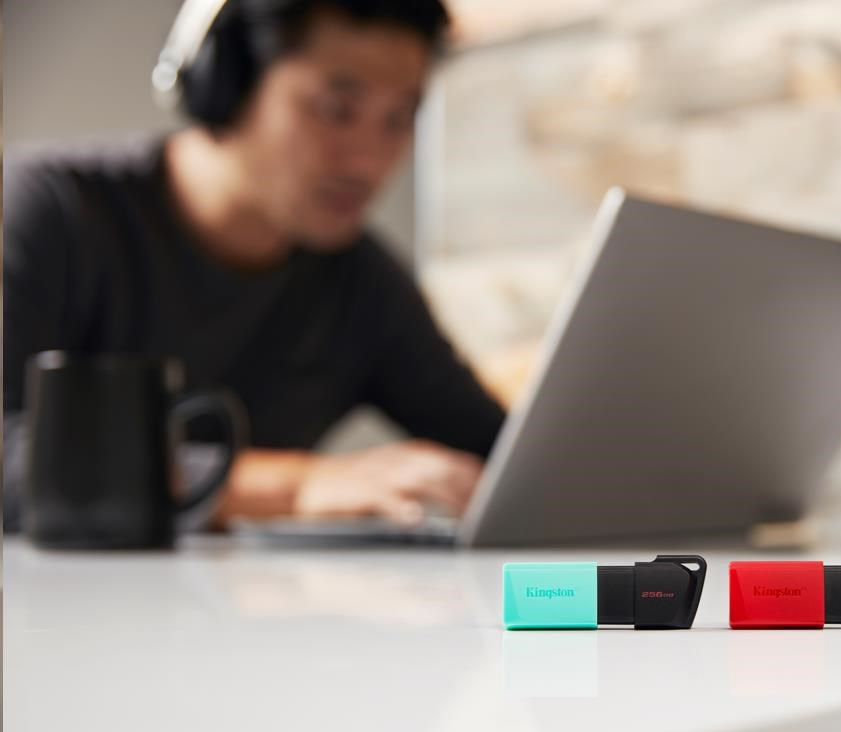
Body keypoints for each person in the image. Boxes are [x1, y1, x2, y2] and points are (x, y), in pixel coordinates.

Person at [3, 0, 503, 532]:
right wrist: (295, 486)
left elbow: (501, 453)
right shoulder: (50, 211)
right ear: (228, 82)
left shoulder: (363, 283)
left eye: (399, 119)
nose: (368, 160)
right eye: (336, 109)